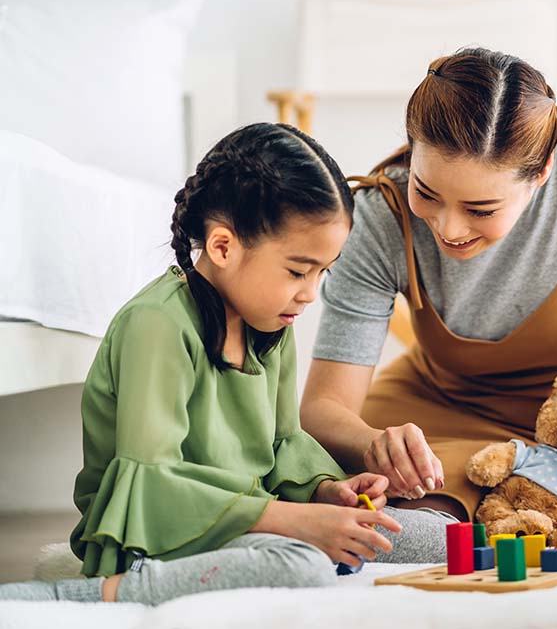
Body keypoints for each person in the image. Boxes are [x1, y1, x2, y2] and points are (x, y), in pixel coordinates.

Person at [0, 123, 450, 606]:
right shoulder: (157, 324)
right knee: (300, 564)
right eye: (298, 270)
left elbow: (282, 443)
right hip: (158, 538)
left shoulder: (273, 323)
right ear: (222, 246)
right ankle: (83, 594)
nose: (310, 292)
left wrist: (326, 492)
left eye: (324, 271)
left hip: (249, 524)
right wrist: (296, 523)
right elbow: (151, 483)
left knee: (437, 535)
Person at [300, 48, 557, 525]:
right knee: (326, 483)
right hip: (434, 407)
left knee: (466, 506)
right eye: (426, 192)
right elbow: (324, 407)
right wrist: (373, 444)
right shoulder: (380, 214)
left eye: (480, 209)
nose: (449, 227)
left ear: (542, 173)